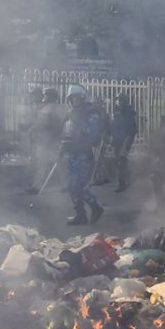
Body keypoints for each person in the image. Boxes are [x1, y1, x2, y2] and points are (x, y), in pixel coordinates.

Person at [61, 85, 104, 225]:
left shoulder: (91, 113)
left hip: (83, 153)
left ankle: (96, 207)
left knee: (79, 186)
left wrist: (79, 127)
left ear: (82, 97)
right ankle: (80, 214)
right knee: (71, 186)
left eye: (76, 97)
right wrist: (62, 148)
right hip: (71, 152)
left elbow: (92, 133)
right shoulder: (71, 113)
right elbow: (65, 133)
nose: (74, 100)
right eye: (72, 98)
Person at [27, 88, 64, 194]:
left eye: (47, 95)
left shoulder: (51, 108)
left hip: (49, 140)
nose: (45, 97)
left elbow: (42, 123)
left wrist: (32, 131)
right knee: (54, 164)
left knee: (49, 164)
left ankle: (37, 186)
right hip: (47, 140)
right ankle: (38, 185)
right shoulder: (53, 108)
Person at [109, 93, 137, 193]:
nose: (119, 102)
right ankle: (128, 175)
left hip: (126, 137)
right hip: (117, 138)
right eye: (118, 100)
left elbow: (132, 128)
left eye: (121, 100)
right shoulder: (116, 111)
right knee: (116, 159)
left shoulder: (129, 112)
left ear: (125, 100)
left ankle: (122, 183)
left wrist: (128, 140)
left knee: (122, 160)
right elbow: (113, 124)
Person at [90, 96, 111, 186]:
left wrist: (104, 136)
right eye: (93, 103)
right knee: (98, 159)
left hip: (101, 138)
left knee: (98, 158)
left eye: (97, 103)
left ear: (100, 104)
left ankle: (102, 177)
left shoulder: (103, 113)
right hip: (95, 138)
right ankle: (104, 176)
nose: (95, 105)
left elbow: (105, 126)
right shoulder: (93, 113)